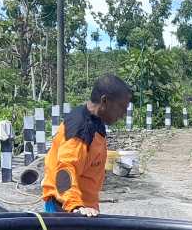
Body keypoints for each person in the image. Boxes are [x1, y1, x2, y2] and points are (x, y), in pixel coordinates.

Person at [42, 74, 132, 216]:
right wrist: (75, 206)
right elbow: (65, 169)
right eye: (121, 107)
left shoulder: (96, 123)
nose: (123, 114)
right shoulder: (81, 128)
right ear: (104, 101)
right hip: (65, 209)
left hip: (85, 210)